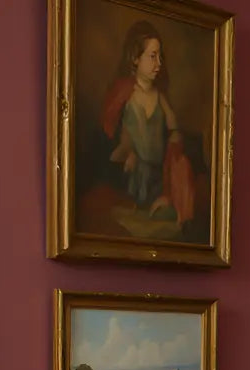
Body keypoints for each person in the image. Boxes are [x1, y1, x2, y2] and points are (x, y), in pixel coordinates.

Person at [100, 20, 195, 225]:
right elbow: (110, 137)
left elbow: (175, 133)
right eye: (152, 56)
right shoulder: (123, 95)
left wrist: (174, 144)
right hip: (129, 180)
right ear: (135, 58)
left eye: (160, 57)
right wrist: (127, 151)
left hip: (157, 181)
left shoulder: (161, 98)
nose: (158, 63)